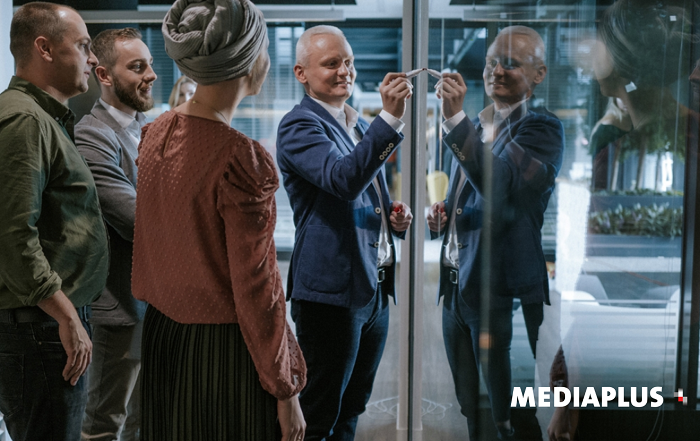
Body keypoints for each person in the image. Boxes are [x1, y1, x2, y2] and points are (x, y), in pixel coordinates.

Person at [131, 1, 306, 440]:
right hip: (222, 351)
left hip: (163, 335)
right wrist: (285, 389)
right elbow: (257, 286)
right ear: (249, 62)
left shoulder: (155, 133)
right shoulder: (239, 157)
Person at [426, 25, 564, 440]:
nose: (496, 71)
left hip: (502, 294)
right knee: (472, 408)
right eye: (490, 63)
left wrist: (453, 120)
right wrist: (444, 217)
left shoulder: (541, 129)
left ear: (539, 74)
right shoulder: (474, 126)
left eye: (510, 63)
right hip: (458, 287)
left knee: (510, 416)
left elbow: (498, 183)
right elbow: (470, 195)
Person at [276, 25, 414, 441]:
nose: (344, 71)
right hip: (329, 294)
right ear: (301, 73)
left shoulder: (357, 124)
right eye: (331, 63)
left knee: (353, 407)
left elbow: (359, 193)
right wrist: (390, 117)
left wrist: (390, 218)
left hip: (371, 289)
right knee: (319, 414)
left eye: (348, 61)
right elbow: (343, 180)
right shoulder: (299, 126)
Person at [0, 3, 110, 441]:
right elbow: (12, 235)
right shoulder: (25, 120)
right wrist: (66, 317)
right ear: (44, 48)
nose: (93, 58)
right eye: (83, 46)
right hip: (40, 325)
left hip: (45, 321)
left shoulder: (44, 117)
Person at [75, 27, 157, 441]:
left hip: (155, 303)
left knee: (144, 421)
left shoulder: (151, 128)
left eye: (150, 65)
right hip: (119, 307)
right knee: (104, 425)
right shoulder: (92, 135)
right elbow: (137, 218)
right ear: (104, 75)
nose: (151, 75)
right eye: (137, 67)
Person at [589, 97, 631, 191]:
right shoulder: (607, 128)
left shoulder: (630, 124)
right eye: (621, 96)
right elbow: (599, 165)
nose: (626, 100)